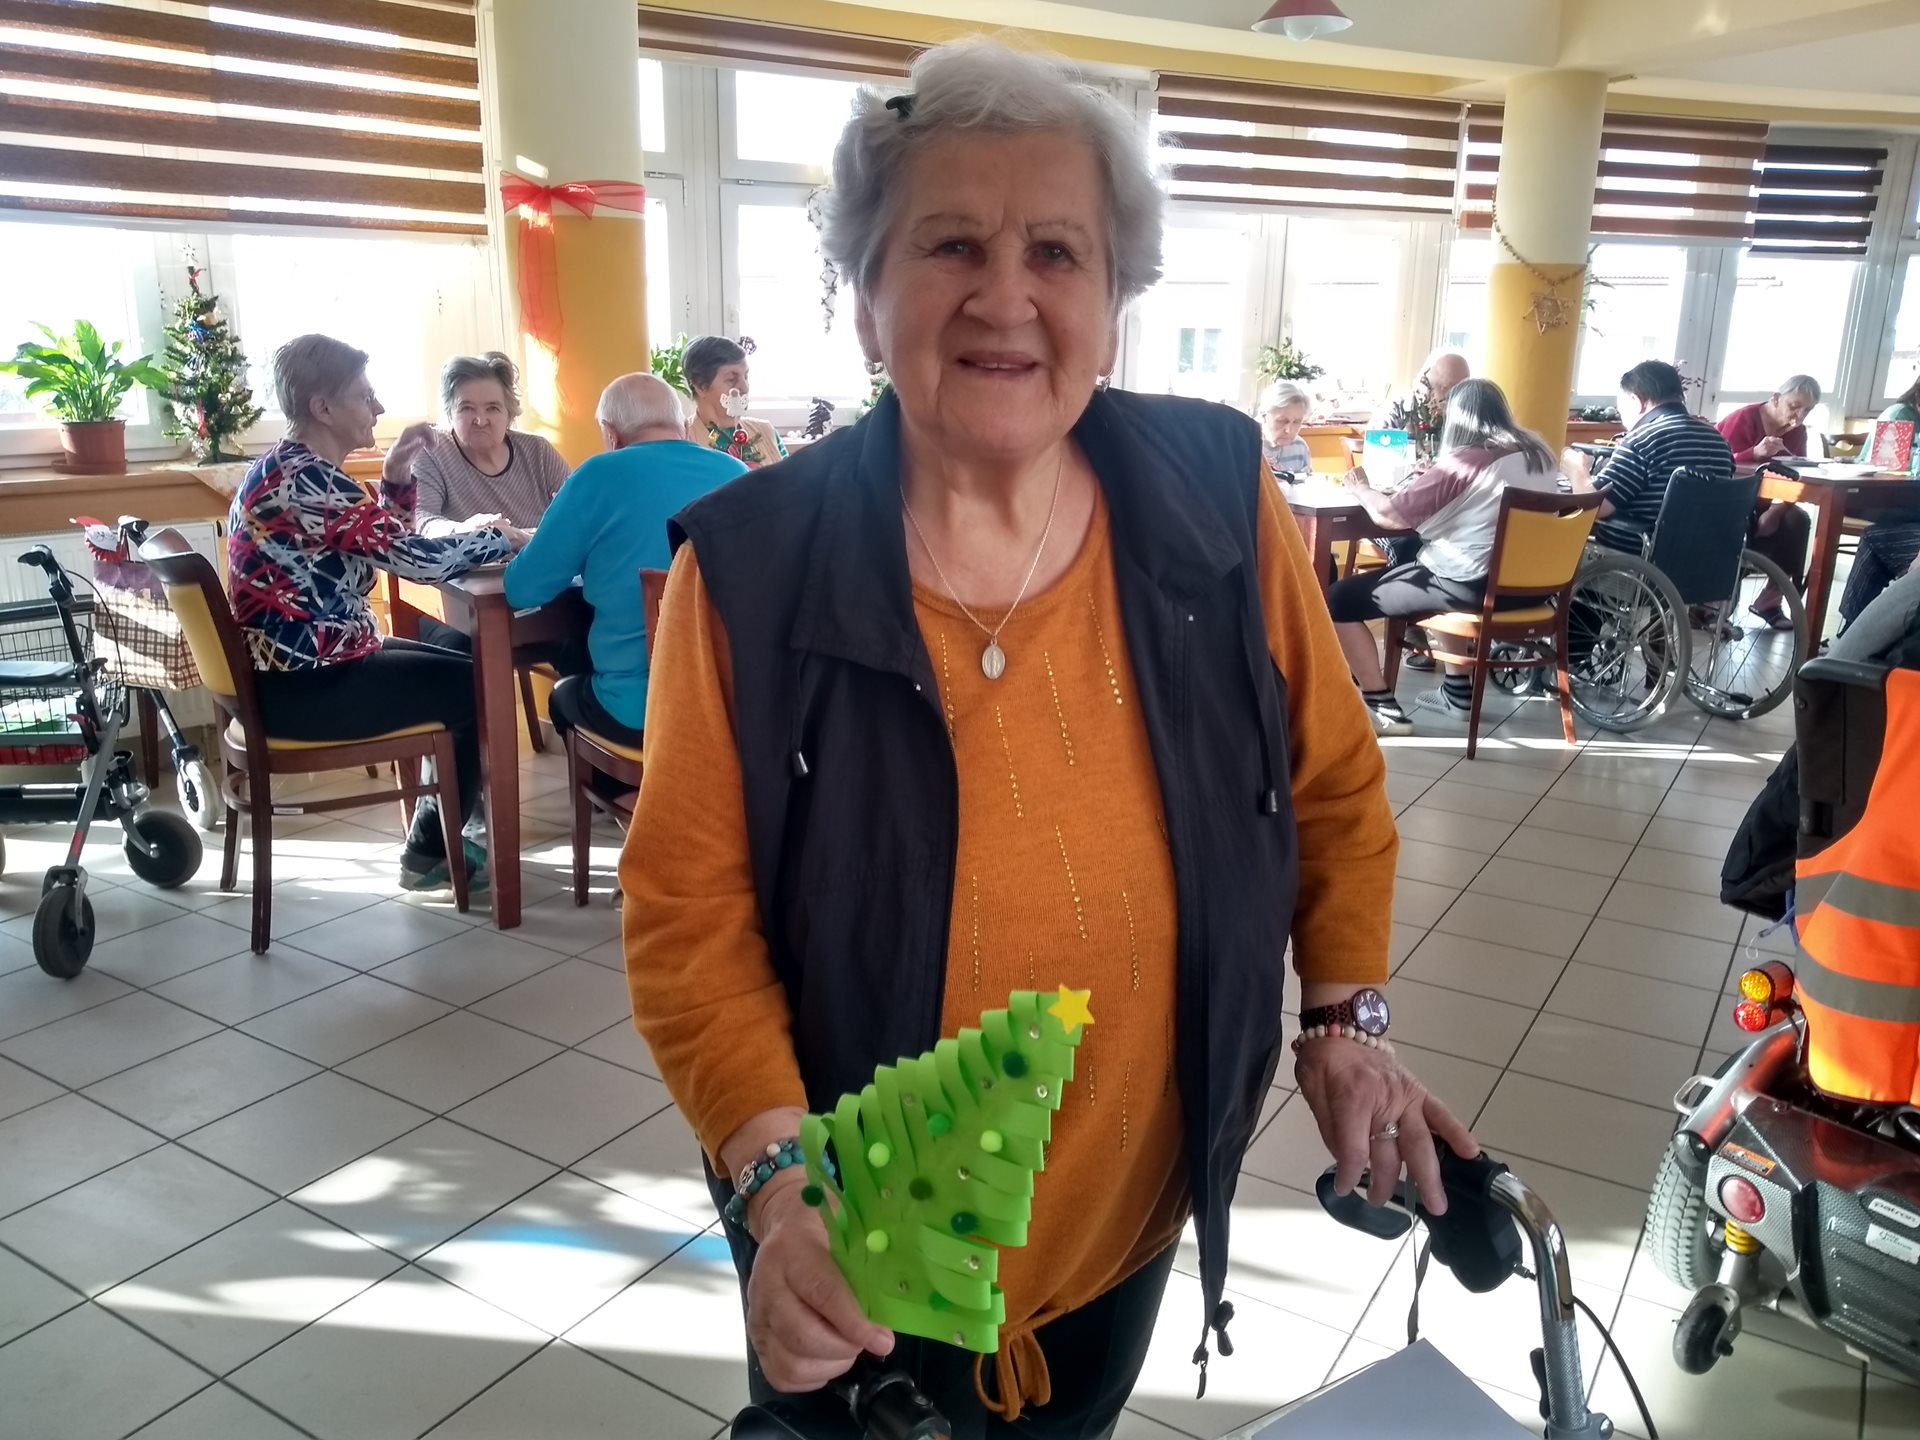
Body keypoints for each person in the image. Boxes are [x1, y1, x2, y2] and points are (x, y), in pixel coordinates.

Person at [620, 39, 1477, 1438]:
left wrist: (1341, 1021)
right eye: (951, 243)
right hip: (856, 1234)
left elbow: (1329, 783)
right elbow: (687, 917)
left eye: (1059, 253)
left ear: (1113, 305)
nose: (1006, 295)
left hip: (1127, 1205)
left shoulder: (1216, 497)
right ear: (866, 301)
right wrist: (780, 1191)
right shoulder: (756, 568)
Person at [226, 335, 513, 891]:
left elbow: (380, 544)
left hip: (299, 669)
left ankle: (433, 841)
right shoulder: (307, 479)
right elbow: (418, 561)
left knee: (469, 668)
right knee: (477, 686)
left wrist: (397, 474)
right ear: (323, 408)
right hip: (304, 688)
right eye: (364, 396)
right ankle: (432, 851)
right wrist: (499, 537)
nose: (378, 407)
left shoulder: (292, 469)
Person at [504, 374, 745, 750]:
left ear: (611, 434)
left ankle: (625, 786)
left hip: (642, 712)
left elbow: (522, 590)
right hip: (733, 705)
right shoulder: (736, 473)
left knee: (563, 696)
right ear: (683, 427)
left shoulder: (597, 476)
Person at [1330, 379, 1565, 735]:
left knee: (1338, 600)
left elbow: (1389, 516)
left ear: (1456, 417)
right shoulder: (1539, 452)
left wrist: (1360, 488)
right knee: (1411, 553)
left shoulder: (1466, 460)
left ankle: (1381, 708)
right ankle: (1457, 691)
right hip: (1535, 588)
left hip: (1472, 585)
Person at [1563, 360, 1733, 556]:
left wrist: (1576, 470)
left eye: (1621, 410)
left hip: (1633, 562)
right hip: (1705, 560)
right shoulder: (1719, 441)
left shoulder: (1643, 440)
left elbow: (1594, 508)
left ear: (1637, 402)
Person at [400, 351, 569, 539]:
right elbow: (422, 521)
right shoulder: (432, 451)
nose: (480, 421)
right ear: (450, 413)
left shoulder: (538, 451)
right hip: (471, 558)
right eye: (466, 408)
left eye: (492, 408)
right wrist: (467, 529)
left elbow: (580, 508)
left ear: (509, 414)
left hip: (538, 555)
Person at [1714, 375, 1820, 629]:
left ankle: (1770, 600)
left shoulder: (1798, 432)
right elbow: (1720, 463)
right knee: (1738, 522)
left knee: (1797, 520)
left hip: (1764, 502)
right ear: (1775, 399)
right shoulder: (1745, 418)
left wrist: (1776, 510)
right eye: (1794, 406)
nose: (1799, 416)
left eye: (1807, 410)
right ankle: (1712, 602)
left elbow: (1795, 476)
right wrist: (1755, 453)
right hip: (1728, 498)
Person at [1836, 373, 1920, 629]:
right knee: (1881, 538)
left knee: (1876, 540)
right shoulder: (1900, 415)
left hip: (1904, 506)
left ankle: (1853, 635)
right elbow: (1890, 466)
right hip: (1889, 500)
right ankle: (1860, 634)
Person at [683, 335, 787, 468]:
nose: (745, 387)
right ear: (701, 386)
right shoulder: (683, 441)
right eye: (731, 379)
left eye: (746, 376)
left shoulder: (766, 432)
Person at [1256, 379, 1312, 481]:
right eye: (1281, 421)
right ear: (1263, 416)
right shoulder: (1248, 446)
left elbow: (1304, 485)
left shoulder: (1299, 447)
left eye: (1296, 422)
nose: (1288, 430)